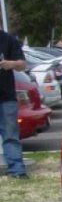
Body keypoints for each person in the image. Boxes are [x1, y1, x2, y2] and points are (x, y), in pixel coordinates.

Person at [0, 29, 29, 179]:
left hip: (6, 97)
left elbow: (22, 64)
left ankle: (17, 169)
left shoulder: (8, 40)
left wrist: (10, 64)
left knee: (10, 135)